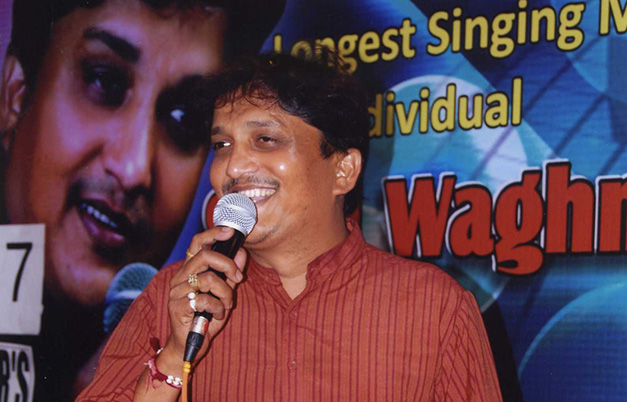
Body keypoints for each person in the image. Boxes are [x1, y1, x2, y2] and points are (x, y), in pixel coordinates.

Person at [78, 52, 503, 401]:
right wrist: (174, 356)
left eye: (265, 139)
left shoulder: (436, 308)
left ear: (343, 170)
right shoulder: (171, 297)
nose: (232, 167)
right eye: (221, 145)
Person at [0, 0, 283, 400]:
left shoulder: (200, 342)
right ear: (14, 94)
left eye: (184, 119)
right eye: (105, 82)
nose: (135, 169)